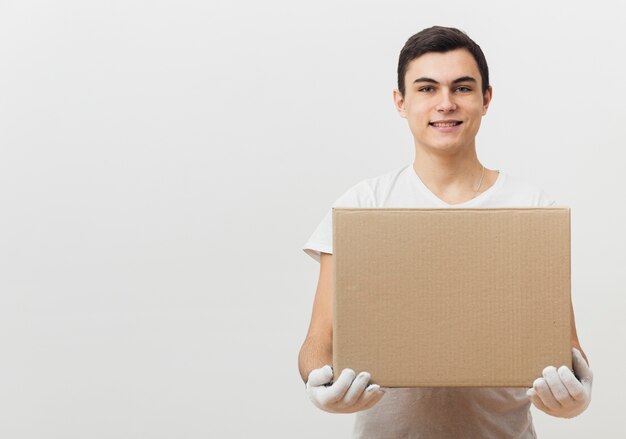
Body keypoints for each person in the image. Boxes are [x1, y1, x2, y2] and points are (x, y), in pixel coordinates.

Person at [298, 26, 593, 438]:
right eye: (426, 89)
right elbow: (318, 341)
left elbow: (565, 345)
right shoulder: (364, 206)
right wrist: (319, 383)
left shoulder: (531, 208)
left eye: (462, 88)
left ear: (486, 99)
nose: (445, 103)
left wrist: (575, 390)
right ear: (400, 102)